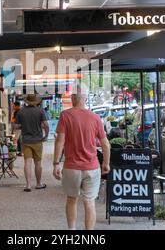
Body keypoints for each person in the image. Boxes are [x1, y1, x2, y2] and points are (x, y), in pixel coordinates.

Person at [53, 85, 110, 230]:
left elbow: (60, 140)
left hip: (71, 168)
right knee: (89, 202)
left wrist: (55, 163)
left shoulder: (65, 116)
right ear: (85, 98)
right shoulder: (95, 117)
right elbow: (105, 144)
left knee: (72, 200)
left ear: (72, 98)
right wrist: (106, 163)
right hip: (92, 167)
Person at [15, 94, 49, 192]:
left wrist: (24, 126)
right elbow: (46, 125)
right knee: (38, 163)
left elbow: (16, 126)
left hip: (26, 140)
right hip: (38, 140)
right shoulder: (40, 111)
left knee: (27, 163)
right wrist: (46, 136)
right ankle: (38, 183)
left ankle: (28, 185)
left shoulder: (21, 111)